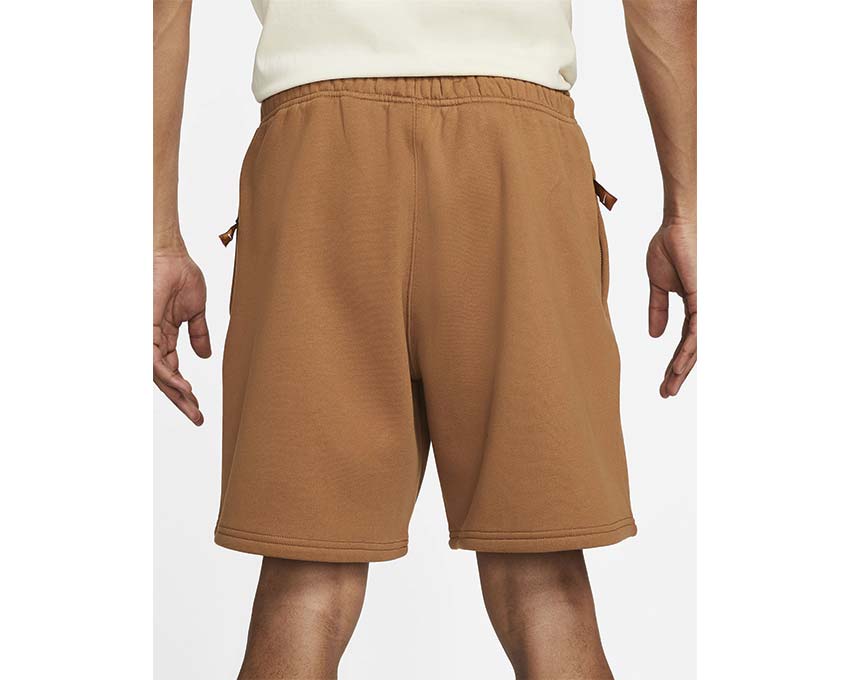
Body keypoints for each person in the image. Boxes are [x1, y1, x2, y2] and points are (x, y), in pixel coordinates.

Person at [153, 0, 696, 677]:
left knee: (305, 587)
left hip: (317, 161)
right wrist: (687, 211)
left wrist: (159, 239)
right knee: (544, 585)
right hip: (516, 153)